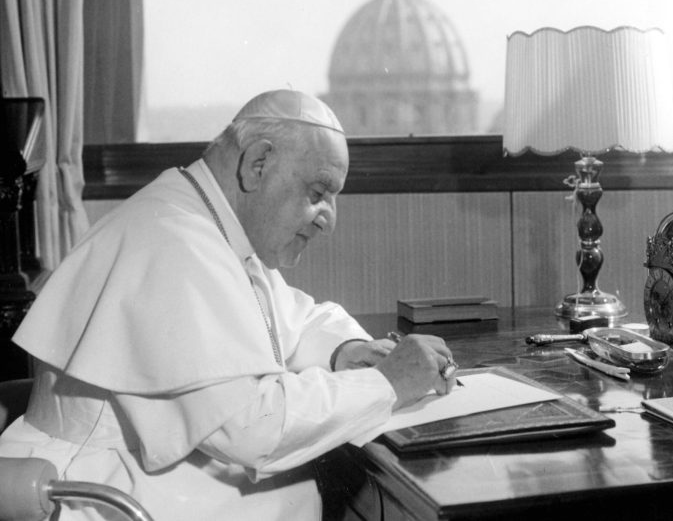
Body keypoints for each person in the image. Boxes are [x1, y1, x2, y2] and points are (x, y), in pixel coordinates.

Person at [0, 89, 457, 520]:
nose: (328, 220)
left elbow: (291, 317)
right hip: (100, 491)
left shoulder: (204, 218)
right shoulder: (172, 240)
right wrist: (387, 384)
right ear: (257, 163)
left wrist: (346, 351)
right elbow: (253, 428)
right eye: (317, 194)